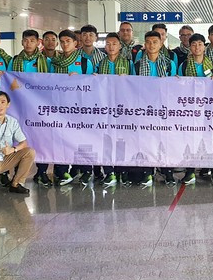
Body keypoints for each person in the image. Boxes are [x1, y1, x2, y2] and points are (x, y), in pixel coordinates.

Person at [135, 30, 178, 187]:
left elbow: (174, 87)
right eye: (148, 42)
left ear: (161, 44)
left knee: (165, 141)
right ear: (144, 45)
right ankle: (147, 173)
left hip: (164, 108)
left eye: (155, 42)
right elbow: (132, 87)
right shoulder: (138, 64)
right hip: (145, 109)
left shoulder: (169, 64)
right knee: (146, 141)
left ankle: (168, 173)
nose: (152, 45)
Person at [49, 30, 92, 185]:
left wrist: (79, 80)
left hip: (80, 109)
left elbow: (93, 85)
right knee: (60, 140)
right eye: (62, 41)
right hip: (59, 108)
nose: (65, 44)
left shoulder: (85, 62)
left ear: (76, 43)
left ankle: (84, 170)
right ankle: (62, 172)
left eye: (68, 41)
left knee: (81, 140)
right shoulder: (54, 62)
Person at [178, 33, 213, 184]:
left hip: (210, 109)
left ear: (204, 46)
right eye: (194, 44)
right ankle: (190, 172)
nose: (197, 47)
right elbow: (179, 86)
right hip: (191, 109)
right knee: (191, 139)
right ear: (190, 47)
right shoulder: (183, 65)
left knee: (211, 138)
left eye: (200, 44)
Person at [9, 30, 50, 187]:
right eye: (25, 40)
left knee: (41, 139)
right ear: (21, 42)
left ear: (37, 42)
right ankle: (19, 174)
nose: (28, 43)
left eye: (32, 40)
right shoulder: (14, 61)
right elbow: (10, 80)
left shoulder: (45, 61)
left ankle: (42, 172)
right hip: (20, 107)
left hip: (40, 107)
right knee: (21, 138)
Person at [94, 32, 135, 187]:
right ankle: (109, 172)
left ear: (120, 46)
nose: (111, 47)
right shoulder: (99, 64)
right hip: (104, 109)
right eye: (108, 44)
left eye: (114, 44)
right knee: (106, 140)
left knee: (123, 140)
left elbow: (137, 85)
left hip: (123, 109)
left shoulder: (129, 63)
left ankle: (122, 172)